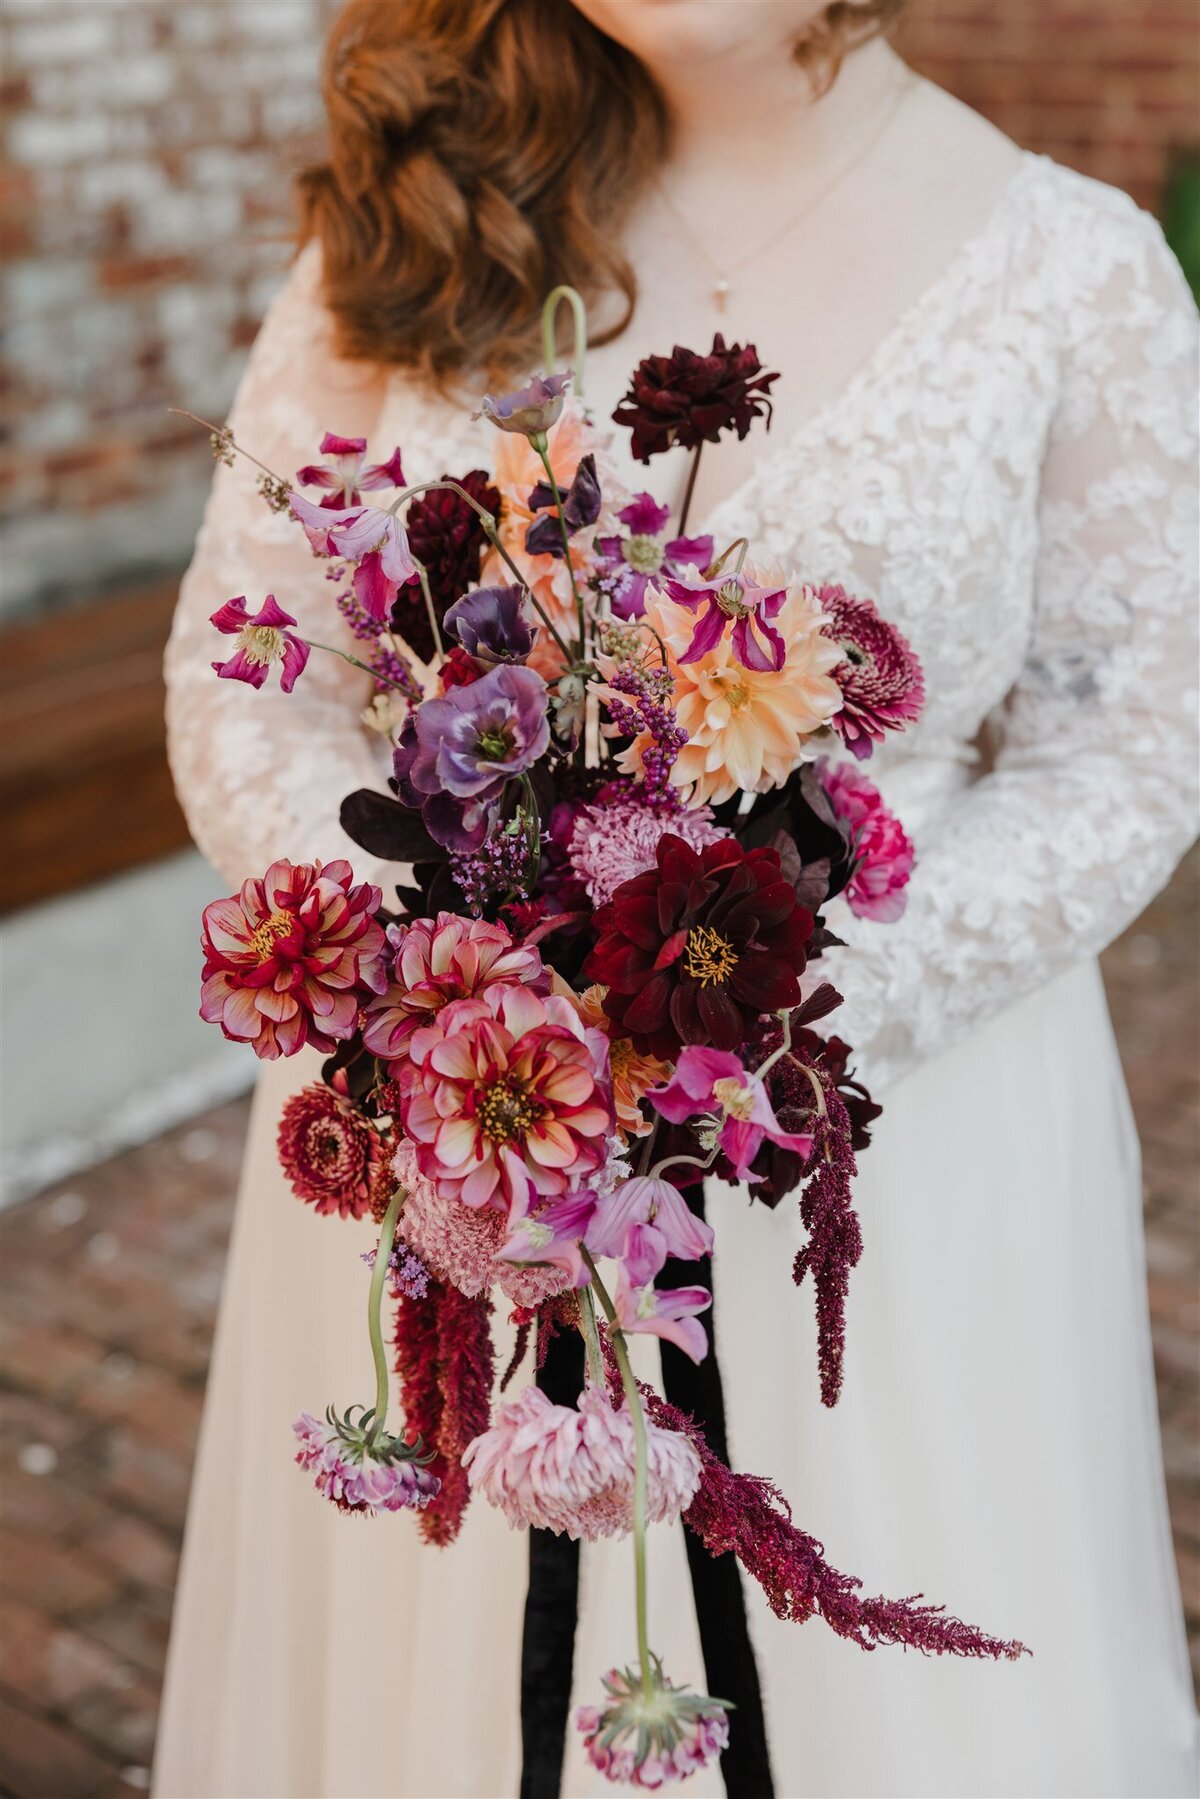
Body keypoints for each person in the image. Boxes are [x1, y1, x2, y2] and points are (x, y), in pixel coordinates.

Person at [156, 2, 1199, 1793]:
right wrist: (438, 993)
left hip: (889, 1148)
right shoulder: (428, 211)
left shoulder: (1076, 271)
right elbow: (252, 680)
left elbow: (1130, 745)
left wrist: (761, 1033)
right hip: (459, 1151)